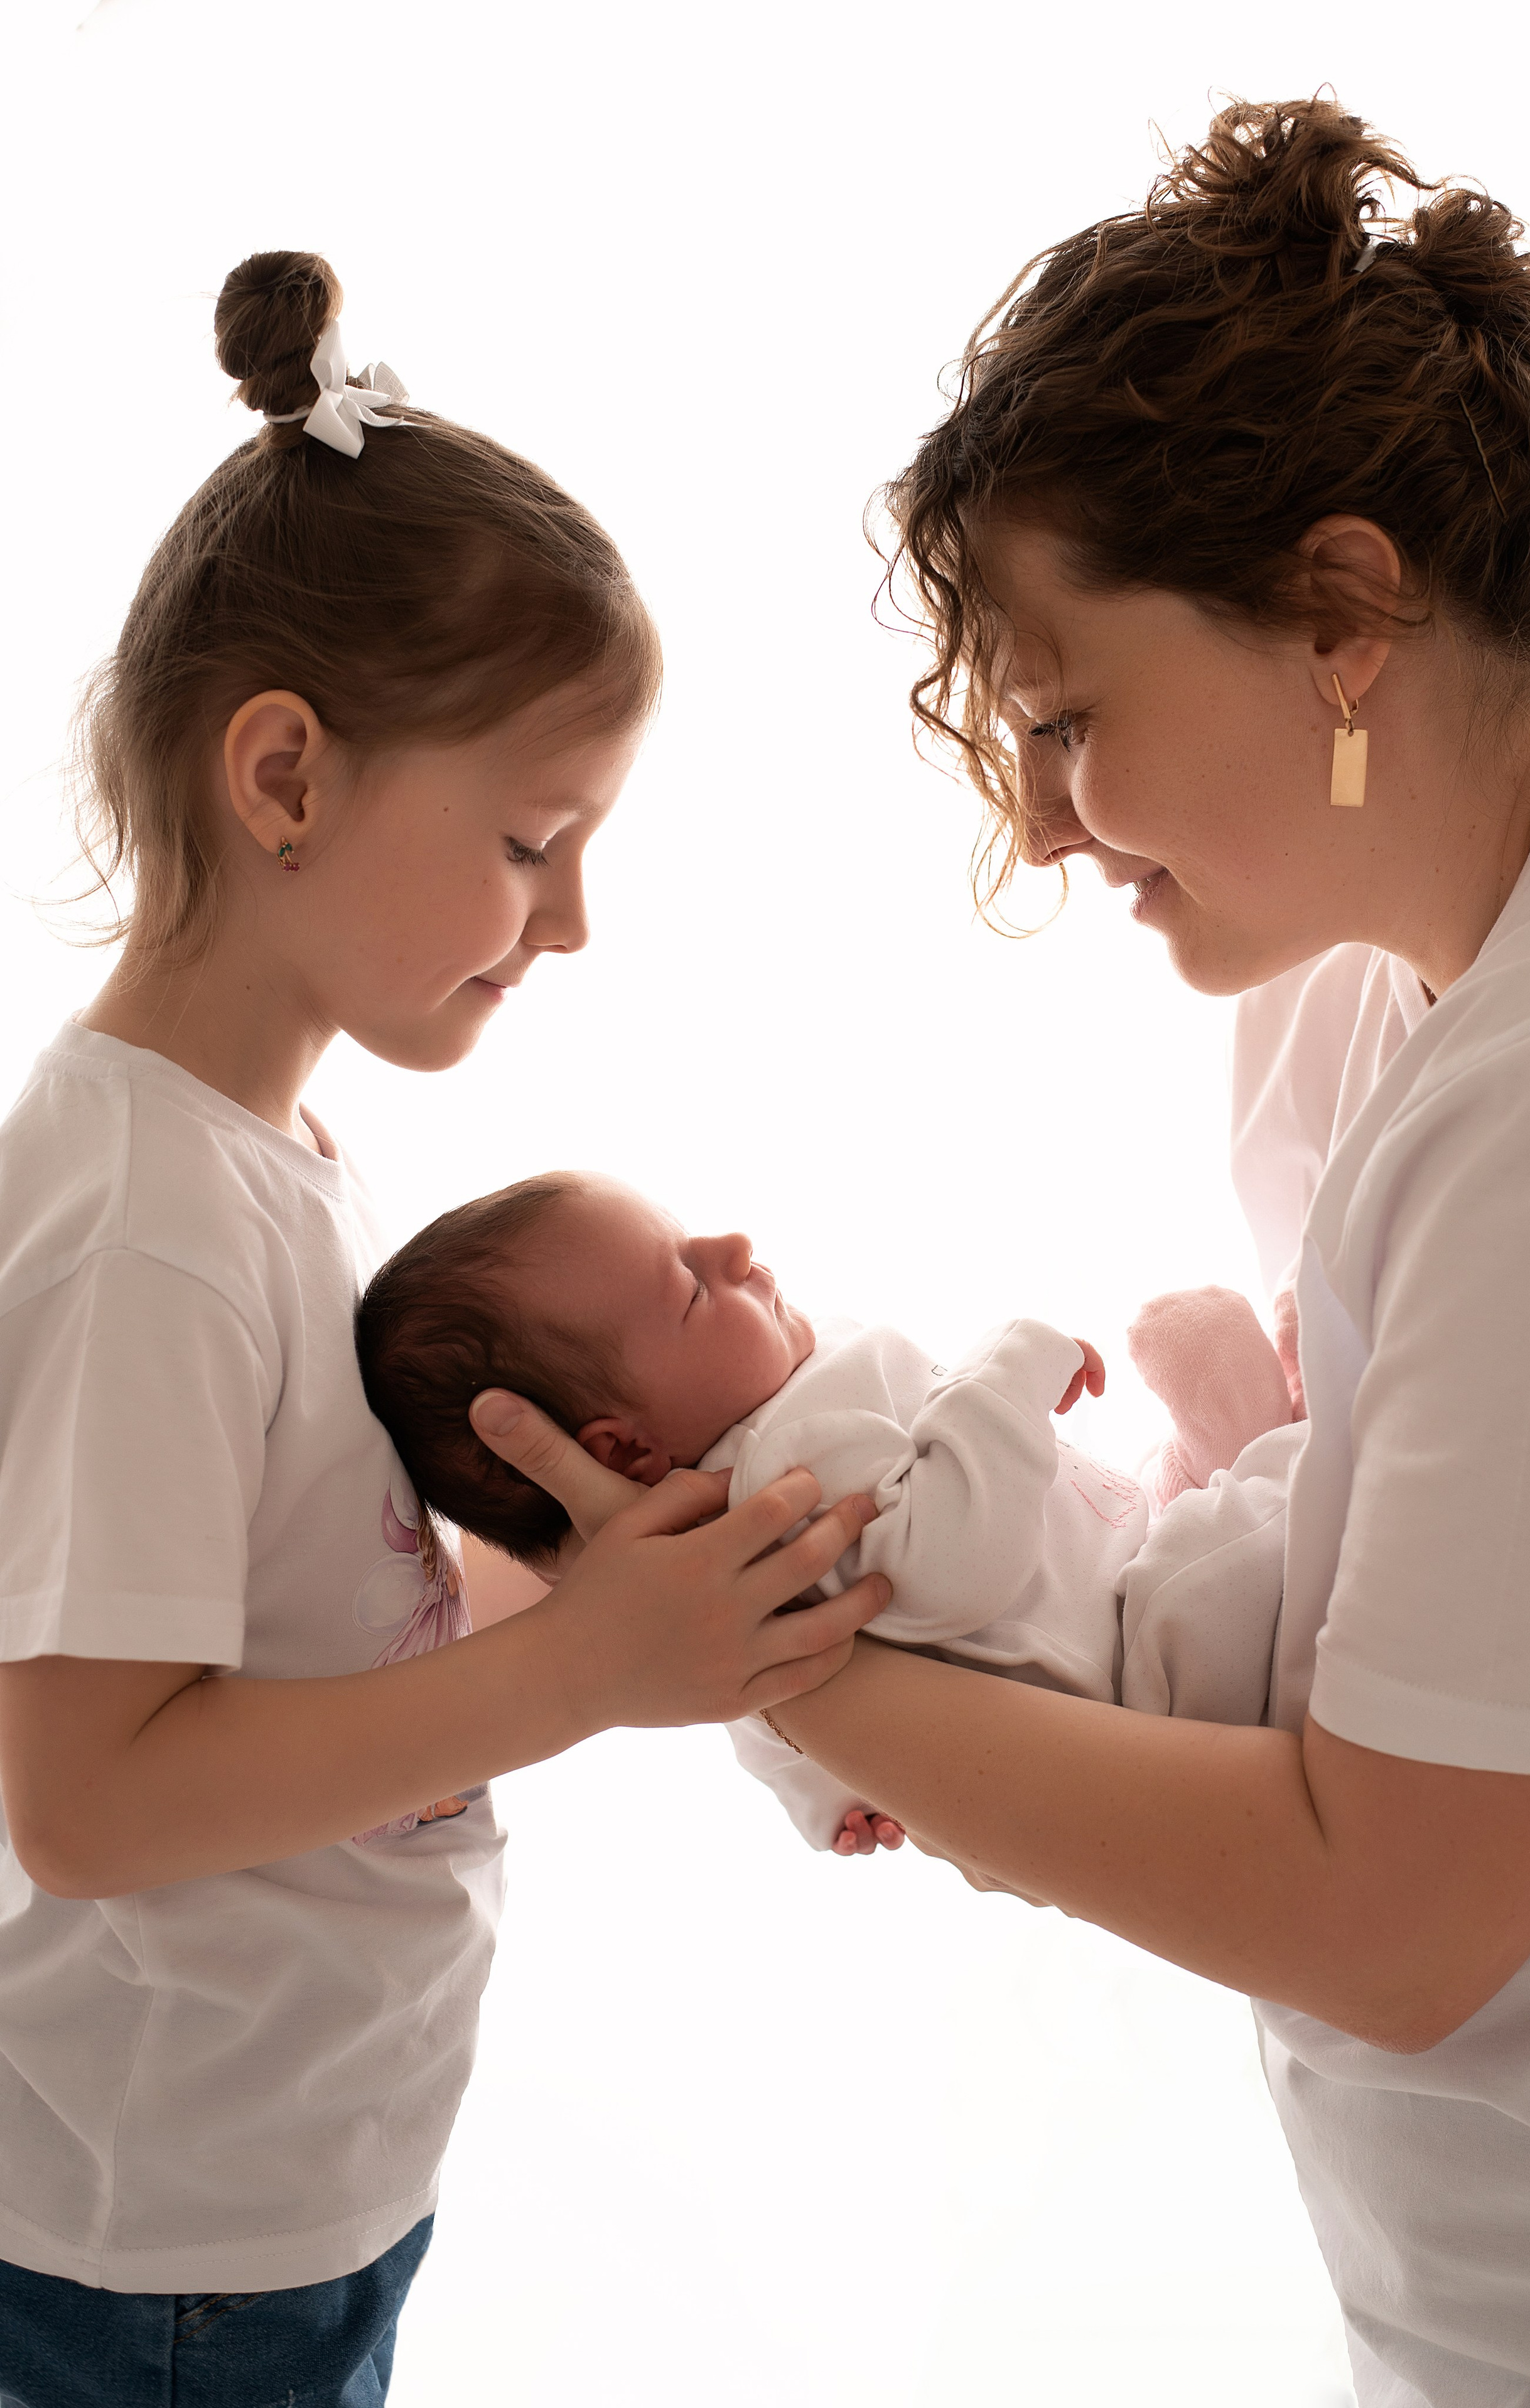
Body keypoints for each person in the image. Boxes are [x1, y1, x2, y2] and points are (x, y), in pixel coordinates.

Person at [471, 100, 1530, 2404]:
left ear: (1350, 617)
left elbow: (1390, 1912)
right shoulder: (1348, 995)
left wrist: (770, 1654)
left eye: (1075, 716)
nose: (1047, 818)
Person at [0, 251, 888, 2407]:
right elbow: (89, 1801)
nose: (571, 916)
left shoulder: (263, 1153)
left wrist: (653, 1617)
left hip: (278, 2193)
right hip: (162, 2257)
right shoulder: (151, 1227)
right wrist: (579, 1674)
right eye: (530, 839)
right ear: (283, 774)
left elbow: (309, 1623)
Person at [352, 1168, 1298, 1851]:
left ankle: (1244, 1431)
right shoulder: (781, 1462)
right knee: (1275, 1502)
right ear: (624, 1449)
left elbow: (758, 1695)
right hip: (1151, 1657)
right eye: (689, 1285)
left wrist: (823, 1793)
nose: (733, 1248)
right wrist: (1009, 1364)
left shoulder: (715, 1544)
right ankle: (1280, 1435)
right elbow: (956, 1557)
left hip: (1123, 1561)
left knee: (1193, 1485)